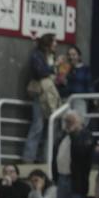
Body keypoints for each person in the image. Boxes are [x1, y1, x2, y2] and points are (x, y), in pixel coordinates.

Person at [52, 111, 94, 198]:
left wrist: (74, 133)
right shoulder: (61, 136)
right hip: (61, 179)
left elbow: (81, 153)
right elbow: (55, 157)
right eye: (66, 121)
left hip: (76, 181)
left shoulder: (86, 135)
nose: (68, 124)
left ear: (80, 122)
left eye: (71, 121)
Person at [23, 33, 59, 164]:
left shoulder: (52, 56)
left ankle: (44, 159)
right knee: (37, 126)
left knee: (50, 128)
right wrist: (54, 67)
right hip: (40, 93)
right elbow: (40, 72)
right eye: (54, 41)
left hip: (51, 94)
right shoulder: (37, 55)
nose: (56, 44)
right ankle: (28, 158)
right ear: (48, 42)